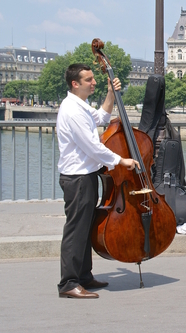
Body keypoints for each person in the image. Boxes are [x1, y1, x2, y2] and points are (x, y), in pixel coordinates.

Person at [56, 63, 139, 299]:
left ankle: (83, 276)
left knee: (84, 228)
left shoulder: (80, 106)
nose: (94, 82)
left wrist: (111, 92)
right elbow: (92, 147)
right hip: (78, 177)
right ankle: (68, 283)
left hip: (86, 175)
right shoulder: (72, 111)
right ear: (75, 84)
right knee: (76, 230)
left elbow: (103, 116)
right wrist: (121, 160)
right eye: (89, 79)